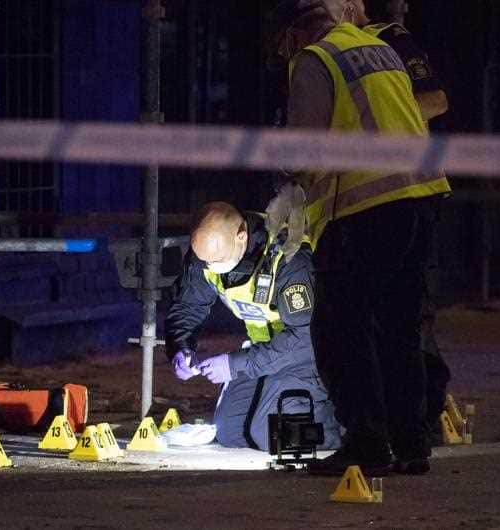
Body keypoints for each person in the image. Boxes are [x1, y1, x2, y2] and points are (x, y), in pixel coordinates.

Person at [266, 0, 452, 476]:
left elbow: (307, 147)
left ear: (292, 35)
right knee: (398, 327)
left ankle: (366, 442)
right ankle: (411, 443)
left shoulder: (315, 59)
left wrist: (287, 180)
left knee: (340, 328)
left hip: (364, 209)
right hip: (421, 196)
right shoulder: (378, 47)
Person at [165, 201, 340, 451]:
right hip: (262, 352)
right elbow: (187, 305)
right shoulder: (205, 255)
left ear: (242, 236)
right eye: (205, 261)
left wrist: (234, 364)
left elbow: (304, 337)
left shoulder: (289, 256)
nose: (212, 267)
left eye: (218, 260)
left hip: (307, 355)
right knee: (230, 432)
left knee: (277, 436)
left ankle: (351, 428)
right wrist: (181, 348)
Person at [361, 0, 453, 445]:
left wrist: (377, 124)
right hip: (364, 200)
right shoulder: (327, 51)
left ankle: (423, 415)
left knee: (407, 314)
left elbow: (434, 100)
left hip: (406, 195)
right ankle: (391, 419)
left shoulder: (388, 39)